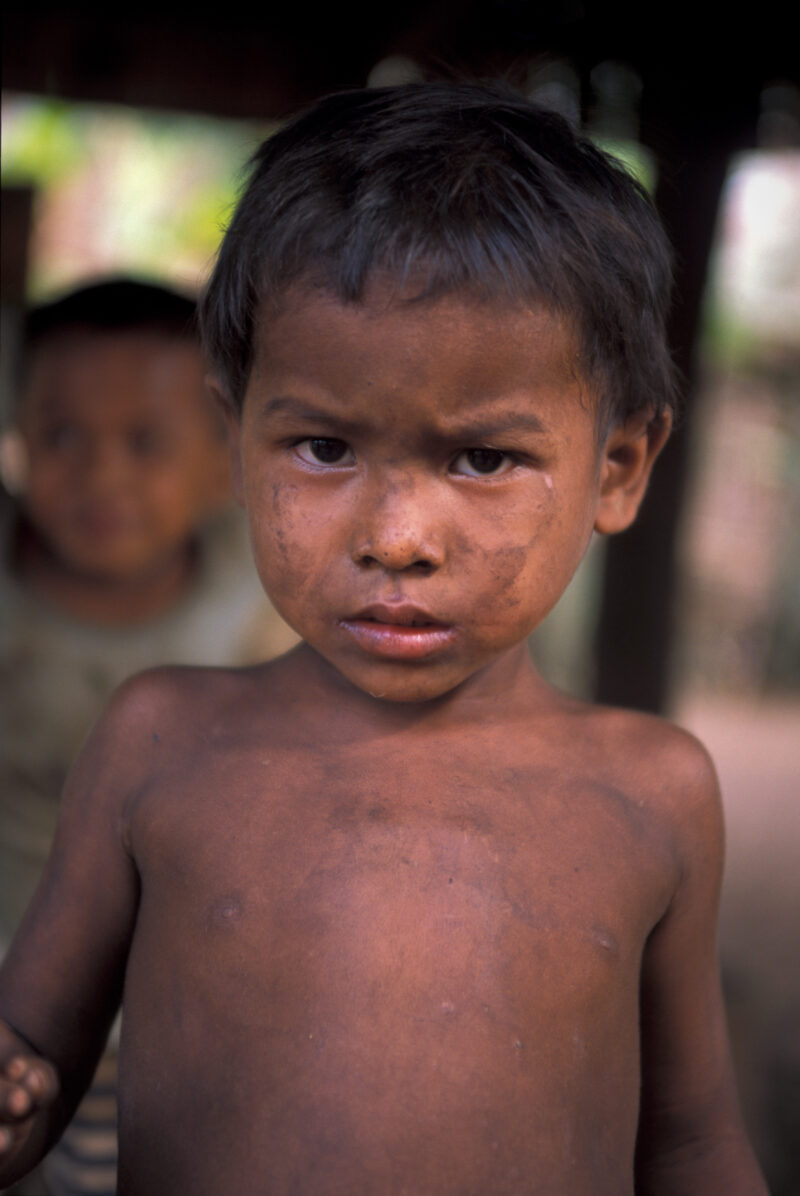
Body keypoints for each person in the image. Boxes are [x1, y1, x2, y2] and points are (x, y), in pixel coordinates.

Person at [0, 84, 767, 1195]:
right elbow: (32, 1055)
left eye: (481, 459)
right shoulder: (160, 738)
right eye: (320, 447)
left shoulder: (652, 791)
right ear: (235, 440)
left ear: (616, 468)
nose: (395, 538)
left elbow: (692, 1141)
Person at [0, 278, 297, 1194]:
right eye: (59, 435)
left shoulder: (261, 613)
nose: (100, 473)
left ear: (224, 462)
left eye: (145, 441)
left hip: (167, 1024)